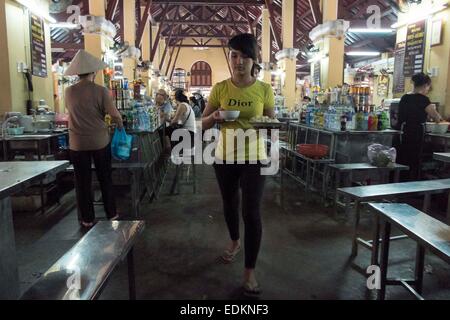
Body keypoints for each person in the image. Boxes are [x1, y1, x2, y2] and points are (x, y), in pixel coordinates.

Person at [201, 33, 275, 297]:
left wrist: (264, 126)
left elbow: (271, 123)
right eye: (234, 55)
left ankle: (249, 272)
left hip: (254, 156)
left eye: (245, 56)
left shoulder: (264, 89)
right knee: (230, 204)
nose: (239, 61)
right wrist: (216, 116)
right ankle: (234, 241)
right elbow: (203, 122)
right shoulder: (220, 88)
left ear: (254, 60)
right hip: (224, 158)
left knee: (251, 212)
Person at [64, 50, 123, 228]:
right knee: (105, 178)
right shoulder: (101, 91)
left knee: (82, 183)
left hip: (77, 143)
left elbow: (72, 111)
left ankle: (87, 219)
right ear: (93, 72)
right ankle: (111, 214)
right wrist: (120, 126)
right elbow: (115, 115)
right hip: (99, 142)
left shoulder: (68, 91)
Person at [396, 72, 443, 180]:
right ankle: (412, 183)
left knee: (404, 157)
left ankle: (401, 181)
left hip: (403, 131)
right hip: (415, 132)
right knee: (414, 158)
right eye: (428, 87)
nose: (428, 89)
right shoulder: (423, 99)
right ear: (425, 85)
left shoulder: (405, 97)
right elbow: (437, 118)